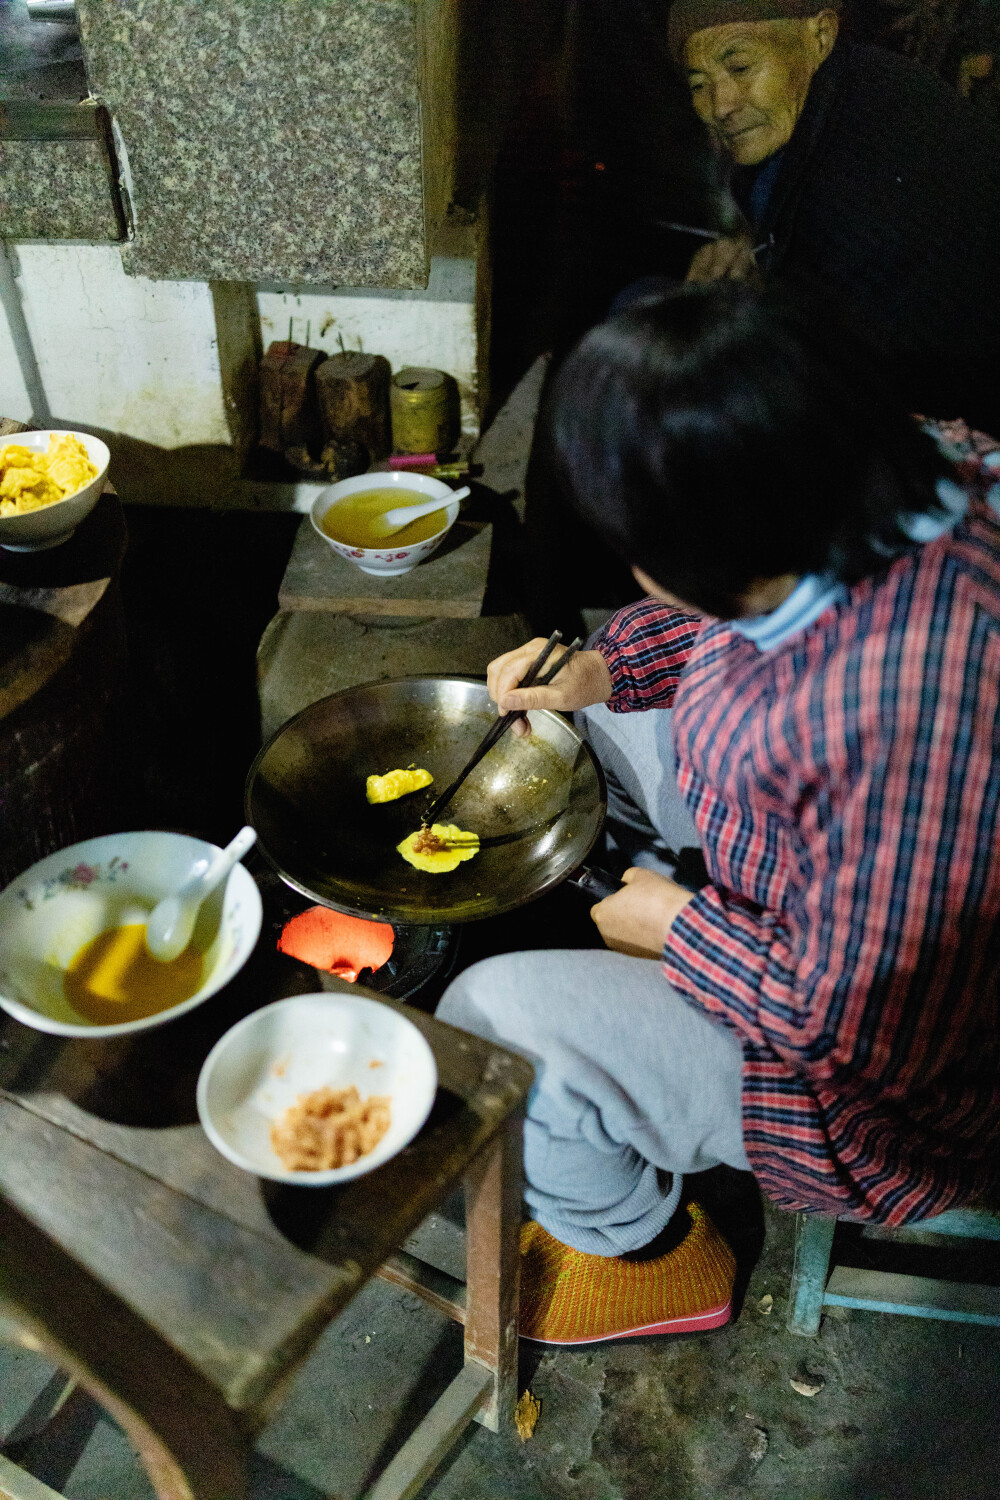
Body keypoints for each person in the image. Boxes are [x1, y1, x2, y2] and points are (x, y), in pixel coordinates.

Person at [438, 285, 1000, 1347]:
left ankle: (646, 1256)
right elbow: (722, 619)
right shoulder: (889, 465)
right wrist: (607, 666)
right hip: (809, 862)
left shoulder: (913, 722)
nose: (638, 569)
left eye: (642, 546)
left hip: (888, 1105)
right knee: (570, 737)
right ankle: (639, 1025)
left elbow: (870, 1037)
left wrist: (682, 933)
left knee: (492, 1021)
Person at [671, 0, 1000, 431]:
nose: (720, 106)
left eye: (740, 67)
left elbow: (849, 368)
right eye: (699, 84)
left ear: (820, 36)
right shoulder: (848, 94)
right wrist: (754, 256)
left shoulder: (873, 143)